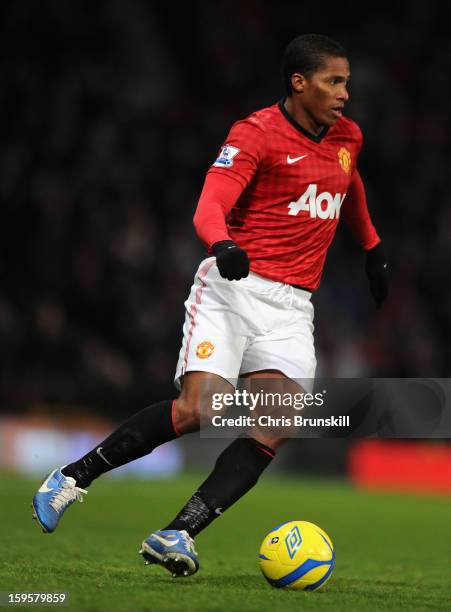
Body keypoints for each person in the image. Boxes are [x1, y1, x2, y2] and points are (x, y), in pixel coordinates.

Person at [32, 33, 388, 579]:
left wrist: (372, 249)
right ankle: (72, 478)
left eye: (346, 81)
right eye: (333, 81)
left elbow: (349, 179)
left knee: (278, 422)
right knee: (202, 410)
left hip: (293, 306)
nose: (345, 93)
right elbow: (210, 203)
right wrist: (222, 243)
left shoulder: (348, 136)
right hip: (232, 288)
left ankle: (177, 532)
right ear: (299, 83)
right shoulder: (256, 134)